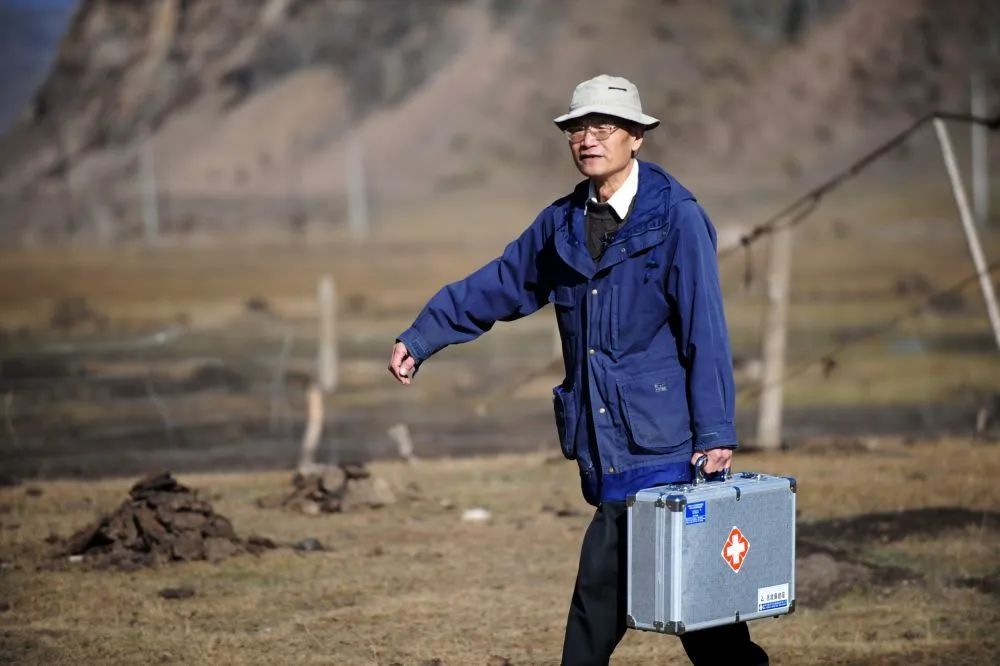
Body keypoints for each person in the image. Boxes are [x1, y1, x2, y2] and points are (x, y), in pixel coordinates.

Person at [388, 75, 768, 665]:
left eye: (604, 126)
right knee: (702, 617)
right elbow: (503, 283)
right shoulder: (561, 224)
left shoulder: (677, 218)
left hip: (664, 446)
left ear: (636, 136)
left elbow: (706, 330)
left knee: (605, 605)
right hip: (604, 442)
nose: (588, 139)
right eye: (577, 129)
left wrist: (716, 432)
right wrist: (425, 334)